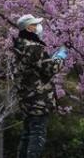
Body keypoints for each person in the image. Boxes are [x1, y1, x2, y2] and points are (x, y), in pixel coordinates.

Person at [12, 14, 68, 158]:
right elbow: (51, 69)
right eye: (35, 25)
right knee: (37, 134)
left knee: (27, 134)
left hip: (25, 98)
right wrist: (60, 57)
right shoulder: (34, 48)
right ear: (29, 28)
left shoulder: (18, 47)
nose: (38, 27)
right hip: (38, 99)